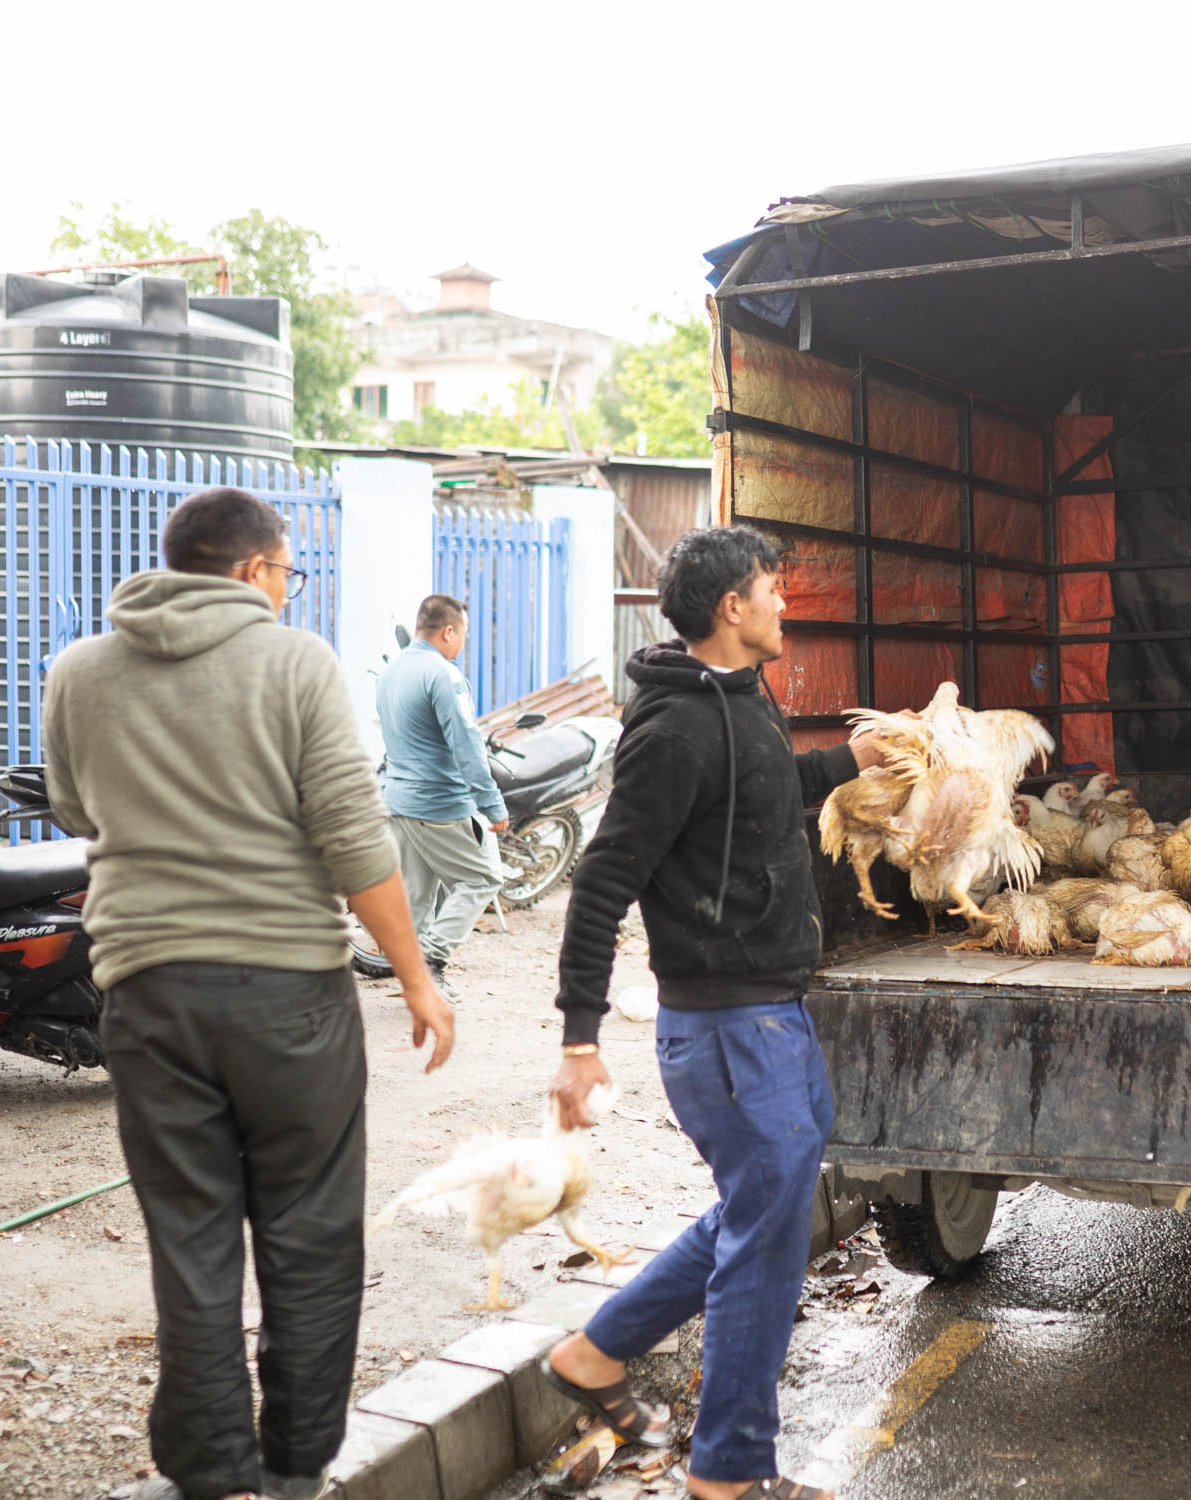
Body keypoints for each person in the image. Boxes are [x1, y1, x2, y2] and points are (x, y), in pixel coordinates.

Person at [44, 489, 454, 1500]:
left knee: (189, 1238)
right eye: (285, 574)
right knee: (310, 1233)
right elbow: (356, 842)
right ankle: (294, 1466)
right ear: (246, 572)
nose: (285, 592)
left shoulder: (80, 671)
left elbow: (69, 803)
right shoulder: (296, 663)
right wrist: (416, 978)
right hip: (290, 1002)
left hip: (146, 996)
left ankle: (209, 1468)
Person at [539, 526, 885, 1500]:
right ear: (733, 607)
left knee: (757, 1213)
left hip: (774, 1013)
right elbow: (603, 881)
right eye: (774, 591)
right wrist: (579, 1038)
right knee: (766, 1246)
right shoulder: (673, 731)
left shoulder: (744, 698)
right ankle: (729, 1472)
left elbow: (766, 798)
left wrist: (850, 762)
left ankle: (595, 1354)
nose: (786, 605)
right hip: (729, 1031)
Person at [375, 593, 511, 983]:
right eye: (463, 635)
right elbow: (467, 746)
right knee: (484, 878)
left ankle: (416, 984)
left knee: (417, 899)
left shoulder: (391, 672)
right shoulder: (444, 675)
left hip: (399, 802)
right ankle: (432, 962)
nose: (463, 644)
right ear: (448, 631)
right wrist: (492, 805)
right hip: (439, 805)